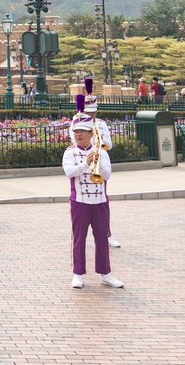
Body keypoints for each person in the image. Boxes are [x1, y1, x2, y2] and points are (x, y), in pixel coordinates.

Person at [63, 110, 123, 289]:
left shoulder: (102, 152)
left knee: (102, 238)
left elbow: (107, 174)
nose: (78, 135)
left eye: (82, 131)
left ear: (91, 134)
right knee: (79, 238)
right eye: (76, 132)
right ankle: (78, 274)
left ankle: (106, 273)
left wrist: (97, 162)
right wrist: (85, 164)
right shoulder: (70, 152)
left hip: (100, 201)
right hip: (80, 201)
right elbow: (69, 172)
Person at [72, 79, 120, 247]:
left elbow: (110, 145)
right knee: (81, 205)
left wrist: (100, 141)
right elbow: (74, 141)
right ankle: (81, 237)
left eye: (93, 112)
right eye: (88, 112)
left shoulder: (101, 124)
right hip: (82, 164)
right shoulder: (76, 122)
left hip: (98, 163)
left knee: (103, 202)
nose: (91, 115)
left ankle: (107, 234)